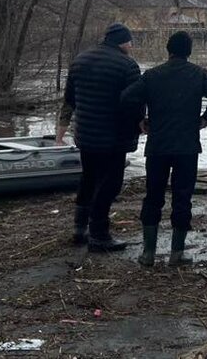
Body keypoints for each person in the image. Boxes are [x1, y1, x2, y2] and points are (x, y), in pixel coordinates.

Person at [121, 31, 207, 267]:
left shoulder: (152, 75)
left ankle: (148, 253)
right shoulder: (199, 74)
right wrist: (206, 118)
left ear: (168, 51)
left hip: (157, 145)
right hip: (187, 146)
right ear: (189, 52)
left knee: (153, 196)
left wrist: (141, 118)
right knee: (182, 197)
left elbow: (126, 98)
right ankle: (176, 253)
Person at [56, 23, 143, 252]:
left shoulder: (80, 61)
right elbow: (134, 104)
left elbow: (69, 100)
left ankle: (79, 229)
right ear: (123, 42)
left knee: (89, 178)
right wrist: (140, 128)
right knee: (110, 184)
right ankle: (99, 234)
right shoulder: (127, 66)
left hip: (85, 135)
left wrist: (60, 133)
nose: (131, 47)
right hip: (113, 137)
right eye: (130, 42)